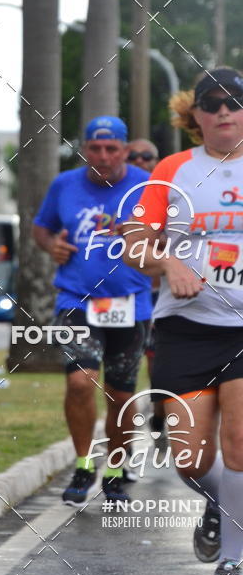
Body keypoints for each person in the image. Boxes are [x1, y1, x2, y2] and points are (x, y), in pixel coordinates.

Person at [124, 67, 243, 575]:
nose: (224, 110)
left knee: (240, 445)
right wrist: (167, 259)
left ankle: (234, 562)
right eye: (212, 102)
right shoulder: (173, 170)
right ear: (193, 114)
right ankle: (220, 503)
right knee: (191, 460)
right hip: (185, 328)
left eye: (235, 101)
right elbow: (133, 245)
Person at [33, 116, 152, 507]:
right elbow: (42, 228)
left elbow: (171, 232)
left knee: (120, 394)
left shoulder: (146, 185)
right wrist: (53, 247)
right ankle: (84, 464)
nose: (103, 156)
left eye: (111, 149)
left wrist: (141, 236)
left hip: (130, 302)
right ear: (85, 148)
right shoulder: (65, 185)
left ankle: (115, 472)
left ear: (124, 150)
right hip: (77, 300)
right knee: (81, 382)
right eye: (95, 148)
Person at [128, 139, 167, 444]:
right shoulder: (120, 190)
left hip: (159, 294)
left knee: (157, 361)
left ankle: (159, 412)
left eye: (147, 156)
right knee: (123, 368)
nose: (140, 161)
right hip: (122, 294)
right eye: (133, 156)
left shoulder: (169, 191)